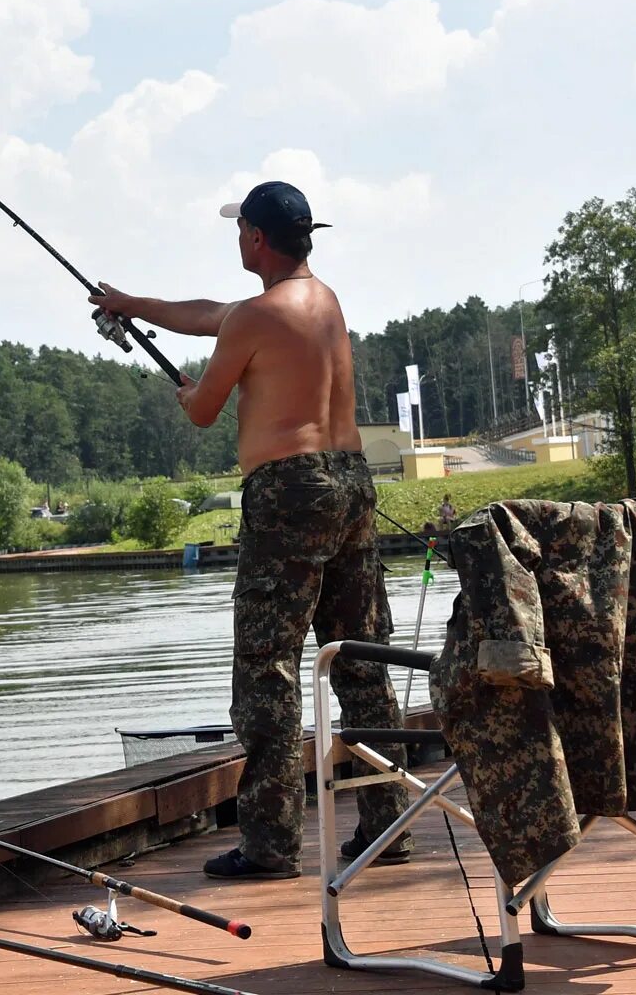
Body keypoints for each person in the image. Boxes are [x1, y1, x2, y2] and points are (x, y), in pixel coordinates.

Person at [88, 180, 410, 880]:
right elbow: (211, 315)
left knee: (265, 669)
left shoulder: (256, 316)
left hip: (288, 492)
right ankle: (389, 822)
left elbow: (203, 408)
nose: (237, 240)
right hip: (352, 482)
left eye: (241, 231)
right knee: (359, 656)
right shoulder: (321, 301)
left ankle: (270, 843)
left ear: (257, 239)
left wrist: (182, 393)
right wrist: (132, 306)